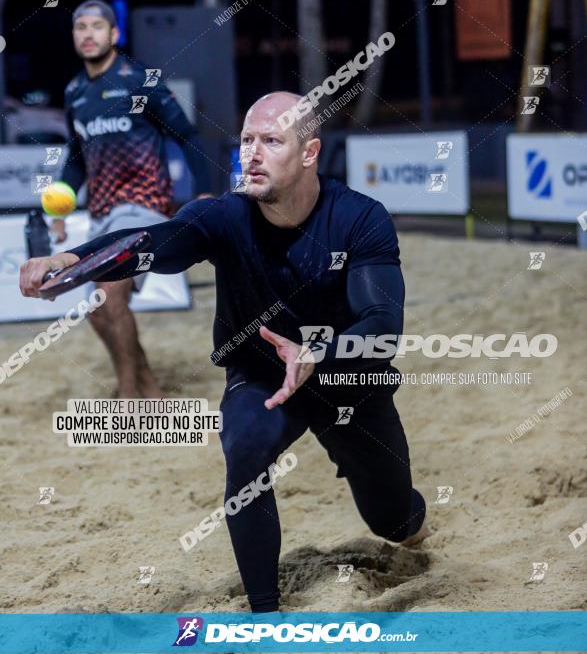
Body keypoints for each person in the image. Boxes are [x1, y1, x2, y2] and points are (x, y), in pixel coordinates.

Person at [20, 91, 429, 612]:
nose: (252, 154)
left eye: (271, 141)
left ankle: (409, 521)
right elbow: (153, 241)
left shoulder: (359, 219)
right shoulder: (225, 217)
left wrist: (317, 351)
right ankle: (263, 614)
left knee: (394, 523)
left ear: (309, 153)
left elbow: (383, 327)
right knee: (246, 449)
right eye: (246, 140)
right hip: (261, 376)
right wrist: (73, 257)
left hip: (346, 377)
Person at [53, 0, 213, 398]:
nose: (88, 34)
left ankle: (128, 394)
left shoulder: (138, 79)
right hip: (102, 213)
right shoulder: (74, 91)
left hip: (142, 207)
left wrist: (205, 191)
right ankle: (148, 386)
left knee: (110, 294)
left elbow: (188, 136)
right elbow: (76, 158)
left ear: (114, 34)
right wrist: (60, 204)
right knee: (97, 312)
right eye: (80, 27)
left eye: (96, 26)